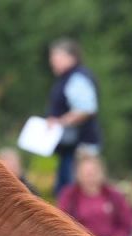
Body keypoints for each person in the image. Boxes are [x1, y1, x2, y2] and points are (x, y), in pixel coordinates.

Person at [58, 155, 132, 236]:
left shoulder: (114, 194)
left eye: (93, 172)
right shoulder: (69, 195)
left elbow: (127, 223)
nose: (90, 176)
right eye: (86, 173)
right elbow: (63, 223)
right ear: (78, 174)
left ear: (101, 173)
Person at [47, 38, 101, 195]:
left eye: (55, 56)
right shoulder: (68, 78)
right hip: (69, 148)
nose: (52, 61)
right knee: (67, 193)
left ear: (70, 57)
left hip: (80, 148)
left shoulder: (77, 78)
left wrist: (59, 122)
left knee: (76, 194)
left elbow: (86, 109)